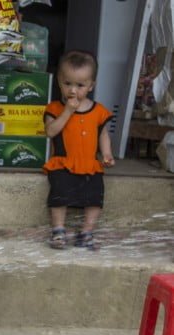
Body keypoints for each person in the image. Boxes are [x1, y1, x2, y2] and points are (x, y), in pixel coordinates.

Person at [43, 49, 115, 250]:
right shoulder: (54, 109)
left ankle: (86, 232)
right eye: (68, 84)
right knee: (59, 194)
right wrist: (68, 111)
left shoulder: (99, 111)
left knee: (95, 197)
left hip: (90, 164)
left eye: (80, 85)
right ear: (59, 81)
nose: (73, 90)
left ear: (91, 86)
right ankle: (58, 230)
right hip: (63, 163)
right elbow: (51, 131)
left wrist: (107, 154)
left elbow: (103, 134)